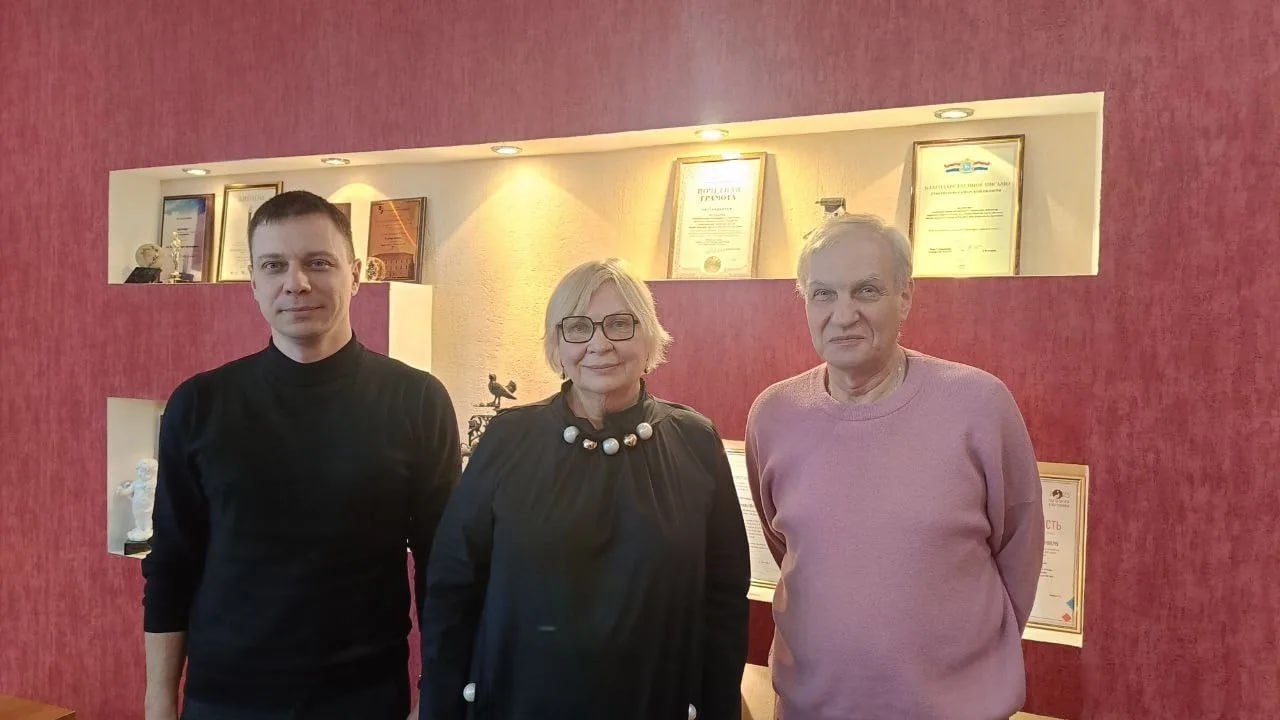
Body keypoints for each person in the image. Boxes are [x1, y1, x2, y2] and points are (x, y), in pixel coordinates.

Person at [141, 190, 461, 720]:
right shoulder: (199, 404)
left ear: (355, 275)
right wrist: (158, 700)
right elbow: (172, 563)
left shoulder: (417, 401)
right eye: (274, 265)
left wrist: (435, 695)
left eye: (318, 262)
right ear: (253, 283)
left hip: (363, 698)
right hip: (224, 698)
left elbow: (442, 569)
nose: (296, 283)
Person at [419, 258, 750, 720]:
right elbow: (452, 589)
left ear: (649, 335)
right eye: (577, 327)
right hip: (519, 704)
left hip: (652, 702)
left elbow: (725, 599)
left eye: (619, 324)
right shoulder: (508, 439)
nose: (599, 344)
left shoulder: (695, 440)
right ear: (556, 344)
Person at [746, 213, 1044, 720]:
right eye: (823, 294)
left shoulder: (978, 405)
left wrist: (966, 672)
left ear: (905, 297)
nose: (843, 315)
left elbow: (1019, 547)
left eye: (866, 291)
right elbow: (790, 547)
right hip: (811, 708)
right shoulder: (773, 415)